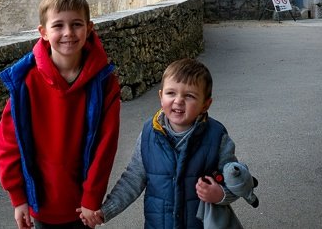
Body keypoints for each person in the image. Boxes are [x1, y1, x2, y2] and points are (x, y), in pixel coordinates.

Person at [0, 0, 121, 229]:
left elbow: (106, 145)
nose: (68, 33)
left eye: (76, 24)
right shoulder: (26, 83)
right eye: (58, 26)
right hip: (40, 205)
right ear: (43, 32)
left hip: (81, 206)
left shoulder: (104, 82)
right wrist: (18, 198)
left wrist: (92, 197)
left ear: (89, 28)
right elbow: (8, 142)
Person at [80, 58, 243, 229]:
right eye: (171, 93)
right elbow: (133, 179)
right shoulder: (149, 135)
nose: (178, 100)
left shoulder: (217, 137)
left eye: (189, 96)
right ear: (160, 96)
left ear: (205, 104)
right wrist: (106, 210)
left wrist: (221, 195)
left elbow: (238, 181)